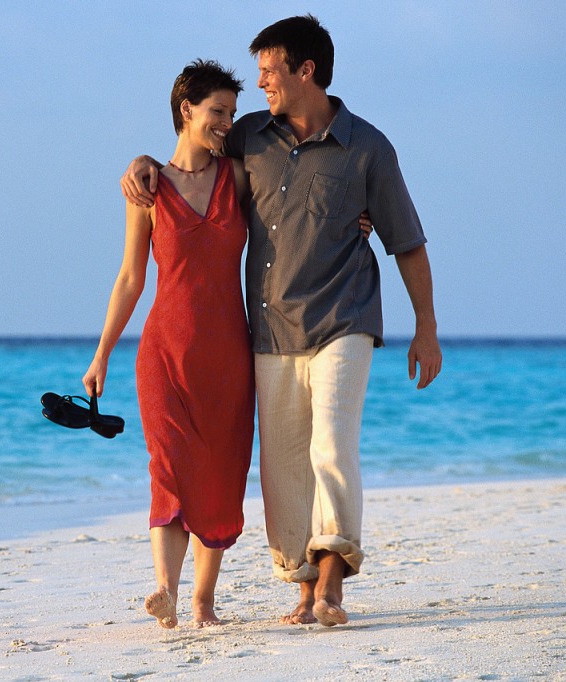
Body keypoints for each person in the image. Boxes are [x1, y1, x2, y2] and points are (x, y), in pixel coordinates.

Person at [120, 14, 442, 627]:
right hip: (269, 330)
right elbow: (191, 155)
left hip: (344, 318)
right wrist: (139, 162)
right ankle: (302, 584)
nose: (261, 82)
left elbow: (408, 241)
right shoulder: (249, 137)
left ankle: (333, 582)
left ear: (306, 71)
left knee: (331, 445)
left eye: (269, 70)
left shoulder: (368, 147)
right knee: (283, 466)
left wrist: (425, 327)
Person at [82, 60, 254, 629]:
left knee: (222, 472)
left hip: (230, 354)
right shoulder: (148, 188)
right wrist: (102, 352)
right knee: (168, 467)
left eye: (231, 113)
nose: (227, 123)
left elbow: (294, 213)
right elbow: (131, 277)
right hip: (163, 353)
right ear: (186, 110)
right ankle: (166, 588)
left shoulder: (241, 176)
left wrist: (357, 220)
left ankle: (204, 601)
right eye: (217, 112)